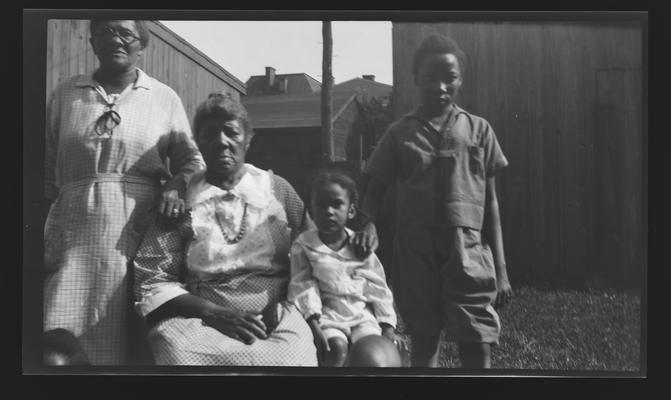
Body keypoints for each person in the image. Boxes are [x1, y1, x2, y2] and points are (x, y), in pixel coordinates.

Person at [43, 19, 204, 365]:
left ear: (141, 44)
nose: (116, 39)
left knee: (126, 338)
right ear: (92, 41)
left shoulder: (163, 97)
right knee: (57, 340)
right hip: (73, 231)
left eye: (126, 33)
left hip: (135, 233)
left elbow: (192, 161)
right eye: (106, 31)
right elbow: (43, 168)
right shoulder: (66, 94)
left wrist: (176, 184)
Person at [355, 34, 513, 368]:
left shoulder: (479, 130)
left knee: (477, 338)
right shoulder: (400, 132)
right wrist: (367, 221)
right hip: (416, 251)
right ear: (416, 79)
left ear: (461, 80)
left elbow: (493, 202)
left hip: (467, 250)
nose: (440, 86)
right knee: (425, 339)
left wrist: (501, 269)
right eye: (430, 78)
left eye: (449, 78)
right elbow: (375, 187)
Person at [132, 92, 320, 365]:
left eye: (231, 132)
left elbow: (316, 245)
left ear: (248, 138)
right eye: (210, 134)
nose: (221, 142)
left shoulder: (277, 189)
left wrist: (362, 226)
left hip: (273, 315)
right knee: (181, 358)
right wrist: (213, 313)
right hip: (199, 319)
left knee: (289, 359)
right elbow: (151, 280)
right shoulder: (180, 198)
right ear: (198, 143)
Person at [288, 169, 406, 367]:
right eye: (321, 205)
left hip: (361, 315)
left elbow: (377, 287)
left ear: (350, 210)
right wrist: (314, 323)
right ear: (311, 212)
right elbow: (303, 286)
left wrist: (387, 326)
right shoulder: (305, 246)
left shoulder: (360, 245)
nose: (329, 211)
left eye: (337, 204)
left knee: (373, 351)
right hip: (328, 316)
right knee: (336, 348)